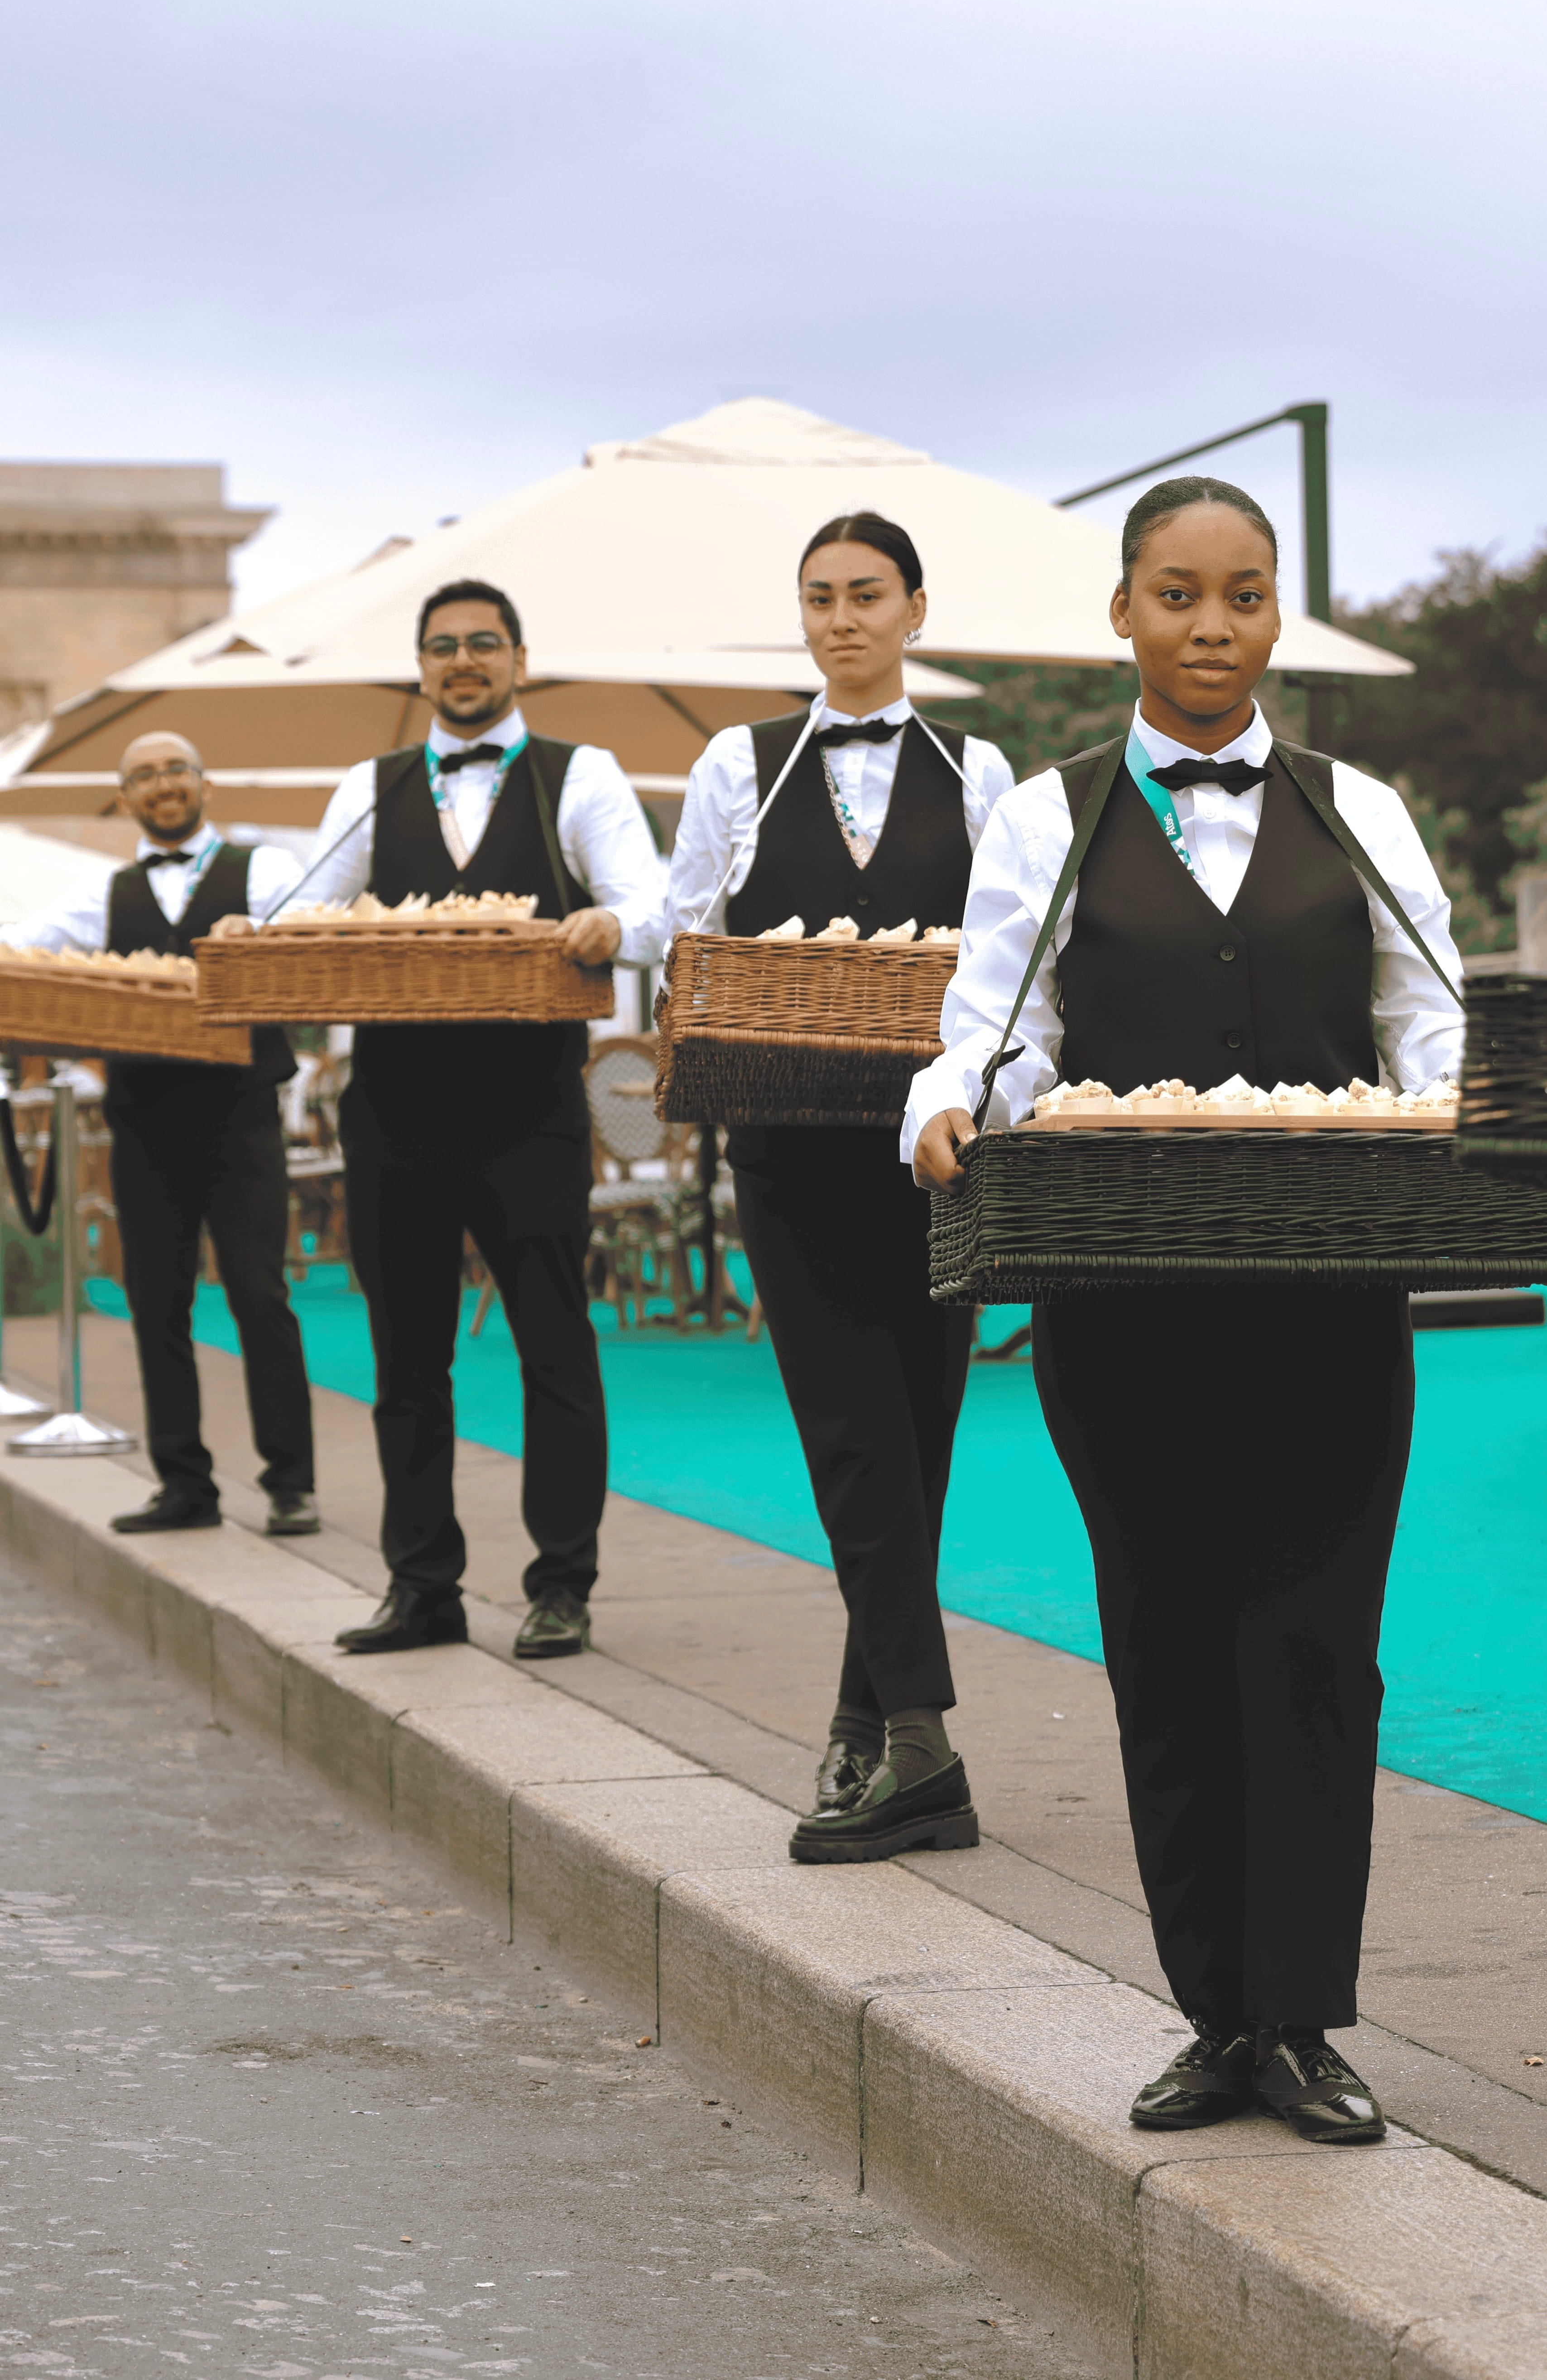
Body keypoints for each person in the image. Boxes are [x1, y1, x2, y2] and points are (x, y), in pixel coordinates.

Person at [908, 476, 1464, 2143]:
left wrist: (1462, 1114)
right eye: (1174, 594)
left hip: (1325, 1292)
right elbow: (996, 1012)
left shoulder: (1355, 801)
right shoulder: (1046, 812)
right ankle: (1212, 2010)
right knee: (1161, 1634)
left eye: (1238, 595)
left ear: (1272, 612)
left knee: (1309, 1644)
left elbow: (1421, 1014)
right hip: (1122, 1295)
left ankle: (1299, 2015)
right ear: (1122, 613)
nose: (1207, 626)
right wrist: (946, 1106)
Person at [667, 513, 1014, 1862]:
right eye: (819, 598)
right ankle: (925, 1746)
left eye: (867, 596)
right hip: (784, 1147)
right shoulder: (735, 766)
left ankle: (866, 1716)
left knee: (918, 1439)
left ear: (916, 609)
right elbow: (690, 930)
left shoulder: (980, 772)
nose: (841, 619)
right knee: (852, 1429)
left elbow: (1006, 963)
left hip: (938, 1154)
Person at [298, 578, 664, 1659]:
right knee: (405, 1359)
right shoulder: (369, 789)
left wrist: (609, 922)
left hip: (528, 1109)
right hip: (393, 1110)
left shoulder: (578, 772)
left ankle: (562, 1583)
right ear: (421, 667)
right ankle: (422, 1585)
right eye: (444, 646)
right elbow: (313, 903)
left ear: (518, 656)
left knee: (553, 1347)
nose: (464, 661)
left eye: (483, 643)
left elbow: (650, 903)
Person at [2, 730, 318, 1535]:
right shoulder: (100, 897)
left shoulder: (266, 871)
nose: (163, 784)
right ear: (127, 797)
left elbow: (309, 927)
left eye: (175, 768)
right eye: (144, 775)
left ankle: (292, 1483)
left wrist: (262, 938)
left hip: (242, 1114)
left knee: (260, 1295)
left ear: (203, 782)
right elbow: (25, 955)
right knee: (156, 1301)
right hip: (141, 1120)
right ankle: (184, 1484)